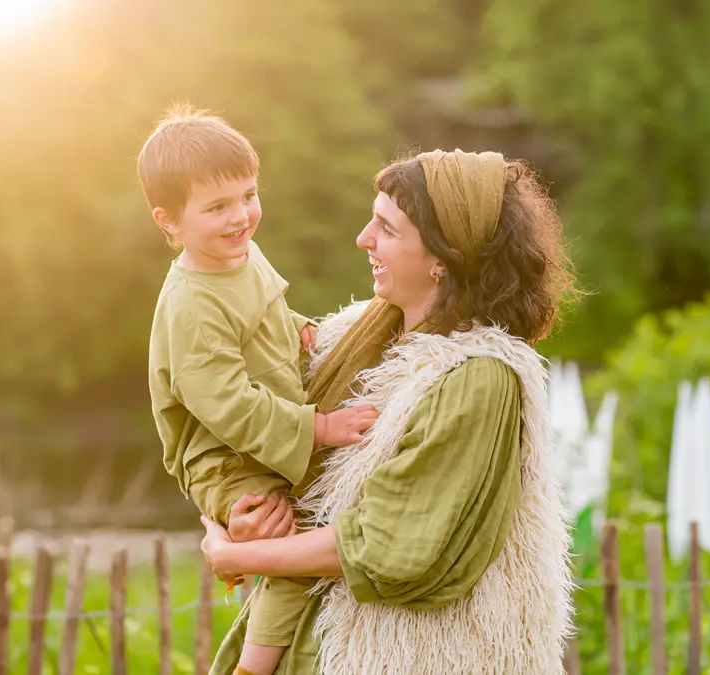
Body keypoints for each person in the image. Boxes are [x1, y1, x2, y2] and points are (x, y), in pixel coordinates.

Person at [200, 149, 577, 674]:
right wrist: (243, 517)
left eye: (387, 227)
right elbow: (248, 432)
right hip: (316, 646)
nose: (363, 238)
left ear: (443, 257)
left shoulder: (477, 378)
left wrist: (238, 558)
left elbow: (388, 541)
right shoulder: (349, 338)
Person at [138, 105, 378, 675]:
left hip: (262, 429)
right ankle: (254, 665)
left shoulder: (238, 251)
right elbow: (226, 405)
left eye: (247, 195)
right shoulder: (192, 304)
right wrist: (318, 428)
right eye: (217, 207)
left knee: (300, 529)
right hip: (220, 453)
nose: (240, 216)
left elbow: (264, 309)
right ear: (168, 221)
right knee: (292, 535)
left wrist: (298, 327)